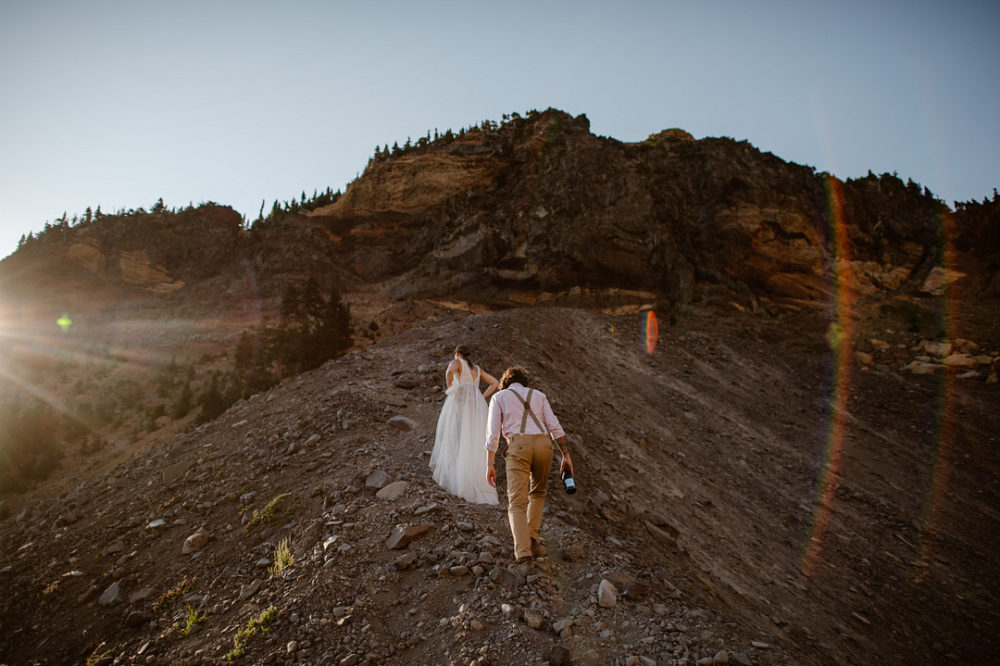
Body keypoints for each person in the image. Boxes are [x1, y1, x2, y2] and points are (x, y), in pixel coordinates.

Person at [486, 366, 574, 564]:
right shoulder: (539, 395)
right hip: (544, 445)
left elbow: (493, 435)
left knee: (517, 502)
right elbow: (555, 426)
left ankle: (523, 553)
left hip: (518, 446)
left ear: (505, 384)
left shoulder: (499, 398)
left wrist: (489, 464)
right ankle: (533, 538)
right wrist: (566, 455)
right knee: (538, 492)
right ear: (524, 382)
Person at [430, 345, 500, 504]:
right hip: (476, 405)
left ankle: (457, 478)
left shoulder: (457, 362)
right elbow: (495, 383)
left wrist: (451, 388)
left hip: (461, 402)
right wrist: (482, 395)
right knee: (472, 440)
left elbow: (449, 371)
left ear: (457, 354)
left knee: (454, 435)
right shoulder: (476, 368)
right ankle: (472, 479)